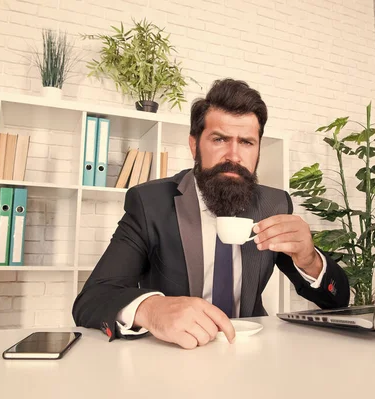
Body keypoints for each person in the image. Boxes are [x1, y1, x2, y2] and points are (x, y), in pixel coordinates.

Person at [72, 79, 350, 349]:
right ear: (195, 145)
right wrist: (151, 308)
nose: (234, 155)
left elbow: (337, 302)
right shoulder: (150, 203)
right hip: (175, 355)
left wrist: (310, 259)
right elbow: (92, 299)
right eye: (219, 139)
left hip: (250, 352)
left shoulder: (274, 204)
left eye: (247, 142)